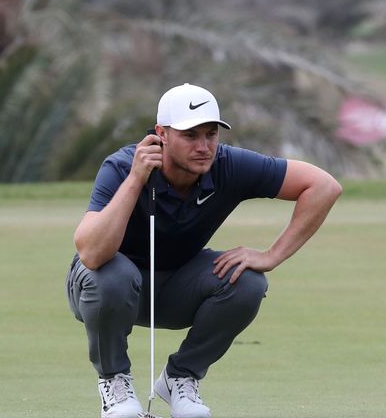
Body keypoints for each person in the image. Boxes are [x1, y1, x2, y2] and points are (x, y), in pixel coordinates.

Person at [66, 83, 342, 418]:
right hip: (104, 288)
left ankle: (180, 379)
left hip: (175, 287)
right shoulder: (122, 166)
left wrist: (272, 255)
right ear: (161, 134)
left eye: (211, 134)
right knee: (112, 272)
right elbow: (92, 254)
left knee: (248, 282)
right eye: (190, 135)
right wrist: (136, 180)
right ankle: (114, 381)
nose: (204, 146)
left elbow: (324, 186)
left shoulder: (228, 165)